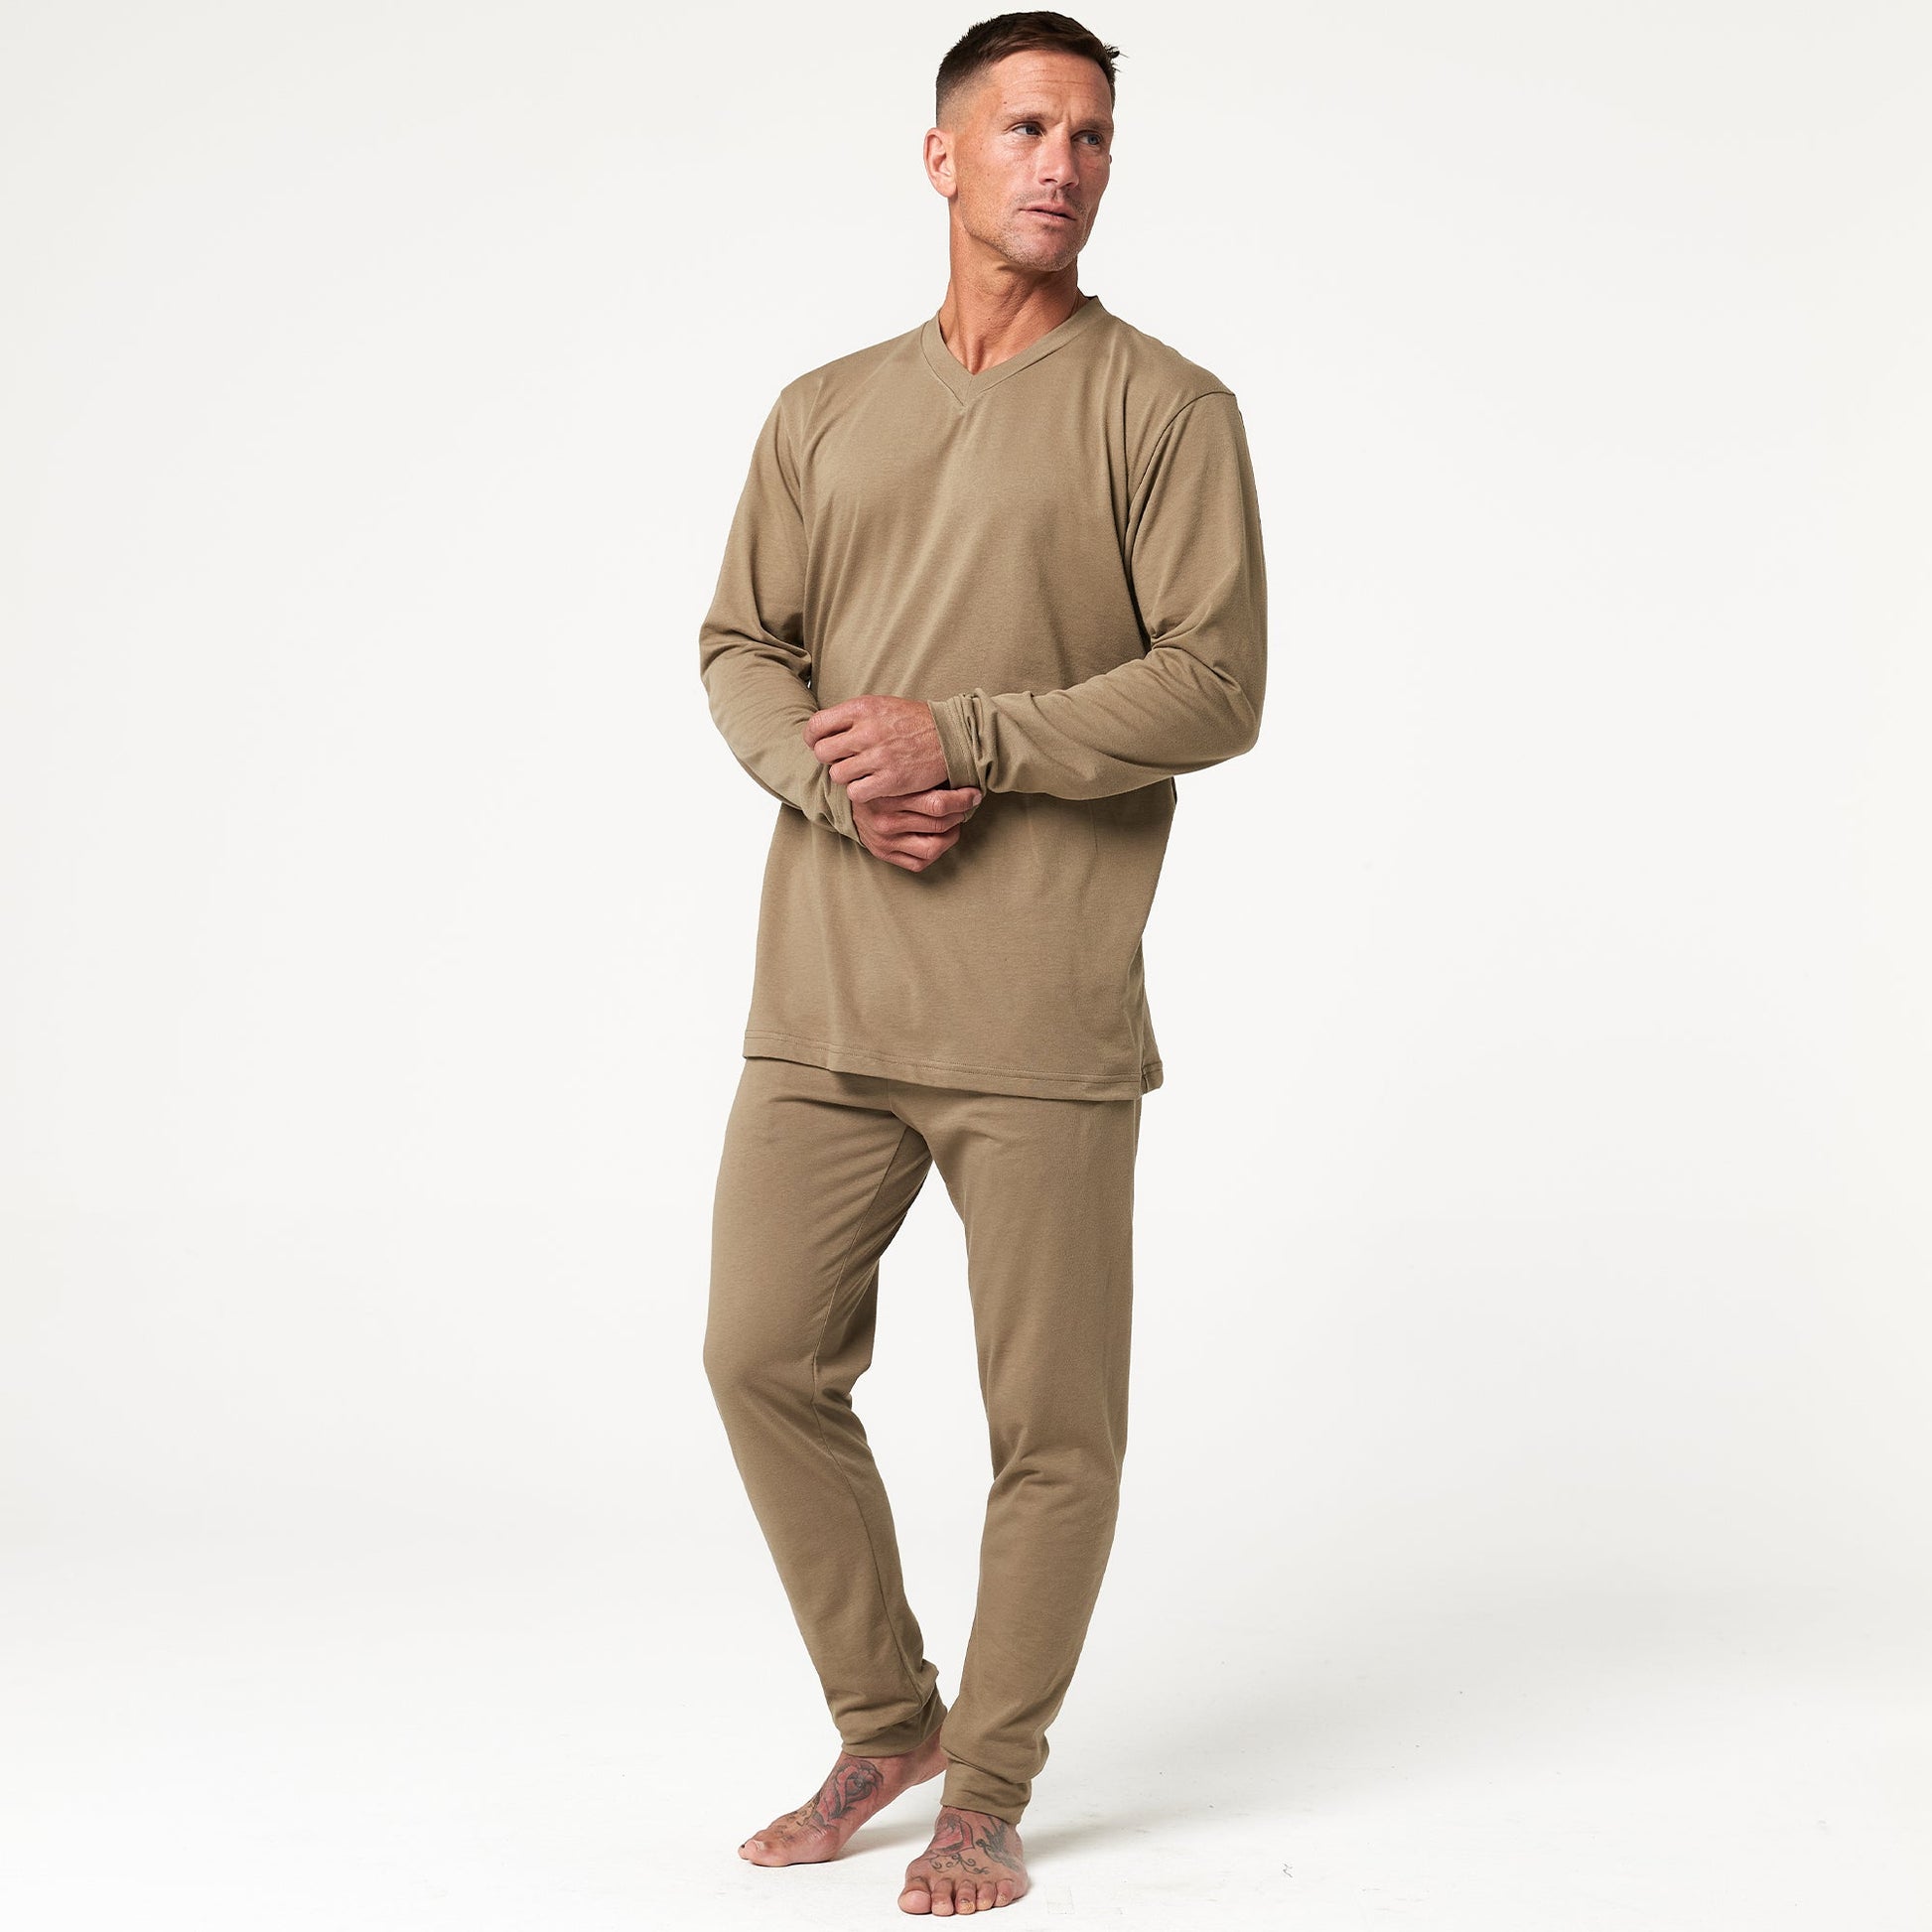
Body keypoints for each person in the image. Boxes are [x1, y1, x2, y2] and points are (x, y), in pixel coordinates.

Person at [697, 10, 1267, 1915]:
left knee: (1051, 1431)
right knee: (758, 1351)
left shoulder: (1165, 409)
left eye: (1090, 135)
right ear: (940, 155)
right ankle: (889, 1718)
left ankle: (988, 1790)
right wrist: (836, 783)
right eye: (1024, 127)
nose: (1060, 164)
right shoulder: (822, 408)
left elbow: (1215, 682)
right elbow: (740, 644)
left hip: (1040, 1013)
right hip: (824, 997)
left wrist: (961, 736)